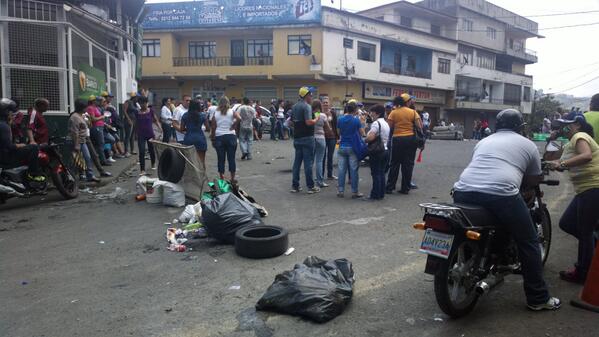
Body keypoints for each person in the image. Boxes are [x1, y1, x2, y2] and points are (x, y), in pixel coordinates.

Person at [453, 108, 560, 311]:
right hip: (500, 194)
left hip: (462, 190)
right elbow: (533, 178)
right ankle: (538, 298)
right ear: (520, 127)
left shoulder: (484, 141)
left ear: (497, 125)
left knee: (470, 227)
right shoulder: (527, 144)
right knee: (528, 241)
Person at [546, 112, 599, 284]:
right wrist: (551, 140)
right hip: (585, 190)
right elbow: (555, 160)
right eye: (561, 125)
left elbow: (586, 156)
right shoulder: (570, 143)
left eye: (566, 124)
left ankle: (583, 272)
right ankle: (592, 248)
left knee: (585, 231)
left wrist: (561, 164)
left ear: (577, 124)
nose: (563, 127)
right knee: (567, 223)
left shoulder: (580, 135)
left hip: (593, 187)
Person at [0, 98, 45, 182]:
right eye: (11, 112)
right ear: (6, 112)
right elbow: (8, 146)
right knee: (33, 148)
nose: (12, 114)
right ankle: (33, 174)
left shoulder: (4, 124)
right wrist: (19, 145)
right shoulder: (3, 126)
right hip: (6, 158)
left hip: (3, 155)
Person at [385, 93, 422, 195]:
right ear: (407, 102)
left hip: (397, 139)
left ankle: (390, 187)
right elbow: (419, 127)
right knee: (408, 164)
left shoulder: (393, 112)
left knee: (394, 164)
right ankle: (405, 188)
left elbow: (389, 127)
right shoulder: (413, 112)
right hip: (410, 139)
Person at [289, 87, 319, 194]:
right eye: (311, 95)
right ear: (306, 95)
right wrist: (316, 119)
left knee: (297, 162)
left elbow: (290, 123)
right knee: (308, 163)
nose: (312, 97)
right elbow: (308, 122)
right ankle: (310, 186)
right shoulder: (307, 106)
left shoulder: (294, 106)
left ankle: (295, 186)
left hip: (297, 138)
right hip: (307, 137)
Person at [336, 101, 365, 198]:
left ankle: (340, 191)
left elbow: (339, 132)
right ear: (355, 110)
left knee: (341, 170)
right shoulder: (356, 120)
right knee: (353, 170)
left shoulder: (340, 119)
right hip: (352, 147)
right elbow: (362, 133)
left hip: (342, 147)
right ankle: (354, 192)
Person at [69, 99, 99, 183]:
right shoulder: (75, 117)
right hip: (77, 141)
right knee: (76, 160)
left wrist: (88, 119)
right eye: (85, 107)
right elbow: (74, 132)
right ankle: (70, 177)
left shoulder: (81, 116)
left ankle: (90, 175)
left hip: (83, 140)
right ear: (82, 108)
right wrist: (76, 144)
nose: (87, 109)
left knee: (87, 158)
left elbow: (88, 126)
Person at [211, 96, 240, 181]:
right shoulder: (232, 111)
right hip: (231, 136)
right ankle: (232, 178)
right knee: (231, 158)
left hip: (219, 137)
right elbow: (239, 118)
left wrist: (213, 139)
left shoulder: (215, 113)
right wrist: (234, 126)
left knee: (220, 158)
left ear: (219, 103)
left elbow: (213, 127)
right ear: (228, 103)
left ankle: (222, 177)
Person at [365, 104, 390, 200]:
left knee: (375, 173)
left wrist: (365, 140)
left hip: (377, 151)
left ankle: (374, 195)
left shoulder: (376, 123)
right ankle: (381, 194)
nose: (371, 114)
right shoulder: (385, 123)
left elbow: (370, 137)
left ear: (377, 113)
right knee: (381, 173)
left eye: (372, 112)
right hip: (385, 150)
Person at [135, 96, 162, 176]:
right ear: (139, 104)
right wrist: (135, 133)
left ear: (147, 103)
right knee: (142, 151)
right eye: (141, 103)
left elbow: (156, 120)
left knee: (151, 150)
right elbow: (135, 123)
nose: (143, 105)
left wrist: (160, 128)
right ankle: (142, 170)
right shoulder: (137, 112)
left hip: (150, 134)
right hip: (141, 135)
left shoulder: (151, 111)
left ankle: (153, 163)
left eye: (145, 103)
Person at [180, 100, 208, 169]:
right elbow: (208, 128)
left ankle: (192, 176)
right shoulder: (203, 115)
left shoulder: (185, 115)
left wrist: (188, 128)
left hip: (188, 138)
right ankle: (202, 177)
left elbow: (181, 129)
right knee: (202, 161)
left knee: (189, 160)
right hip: (200, 138)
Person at [87, 95, 110, 166]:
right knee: (100, 143)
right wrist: (102, 117)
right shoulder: (90, 108)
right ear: (94, 101)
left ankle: (100, 160)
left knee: (100, 144)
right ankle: (103, 161)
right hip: (96, 127)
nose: (99, 102)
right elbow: (93, 119)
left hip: (100, 126)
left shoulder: (96, 108)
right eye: (98, 101)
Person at [312, 99, 329, 188]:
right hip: (321, 139)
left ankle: (310, 180)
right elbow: (328, 128)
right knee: (319, 161)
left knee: (310, 161)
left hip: (312, 139)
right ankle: (320, 181)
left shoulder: (310, 114)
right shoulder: (323, 115)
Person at [322, 96, 337, 180]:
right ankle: (321, 175)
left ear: (329, 104)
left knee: (330, 156)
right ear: (322, 104)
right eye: (324, 102)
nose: (325, 104)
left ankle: (330, 175)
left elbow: (336, 125)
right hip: (322, 137)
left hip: (332, 137)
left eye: (326, 102)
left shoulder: (333, 113)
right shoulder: (319, 113)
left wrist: (337, 137)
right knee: (322, 157)